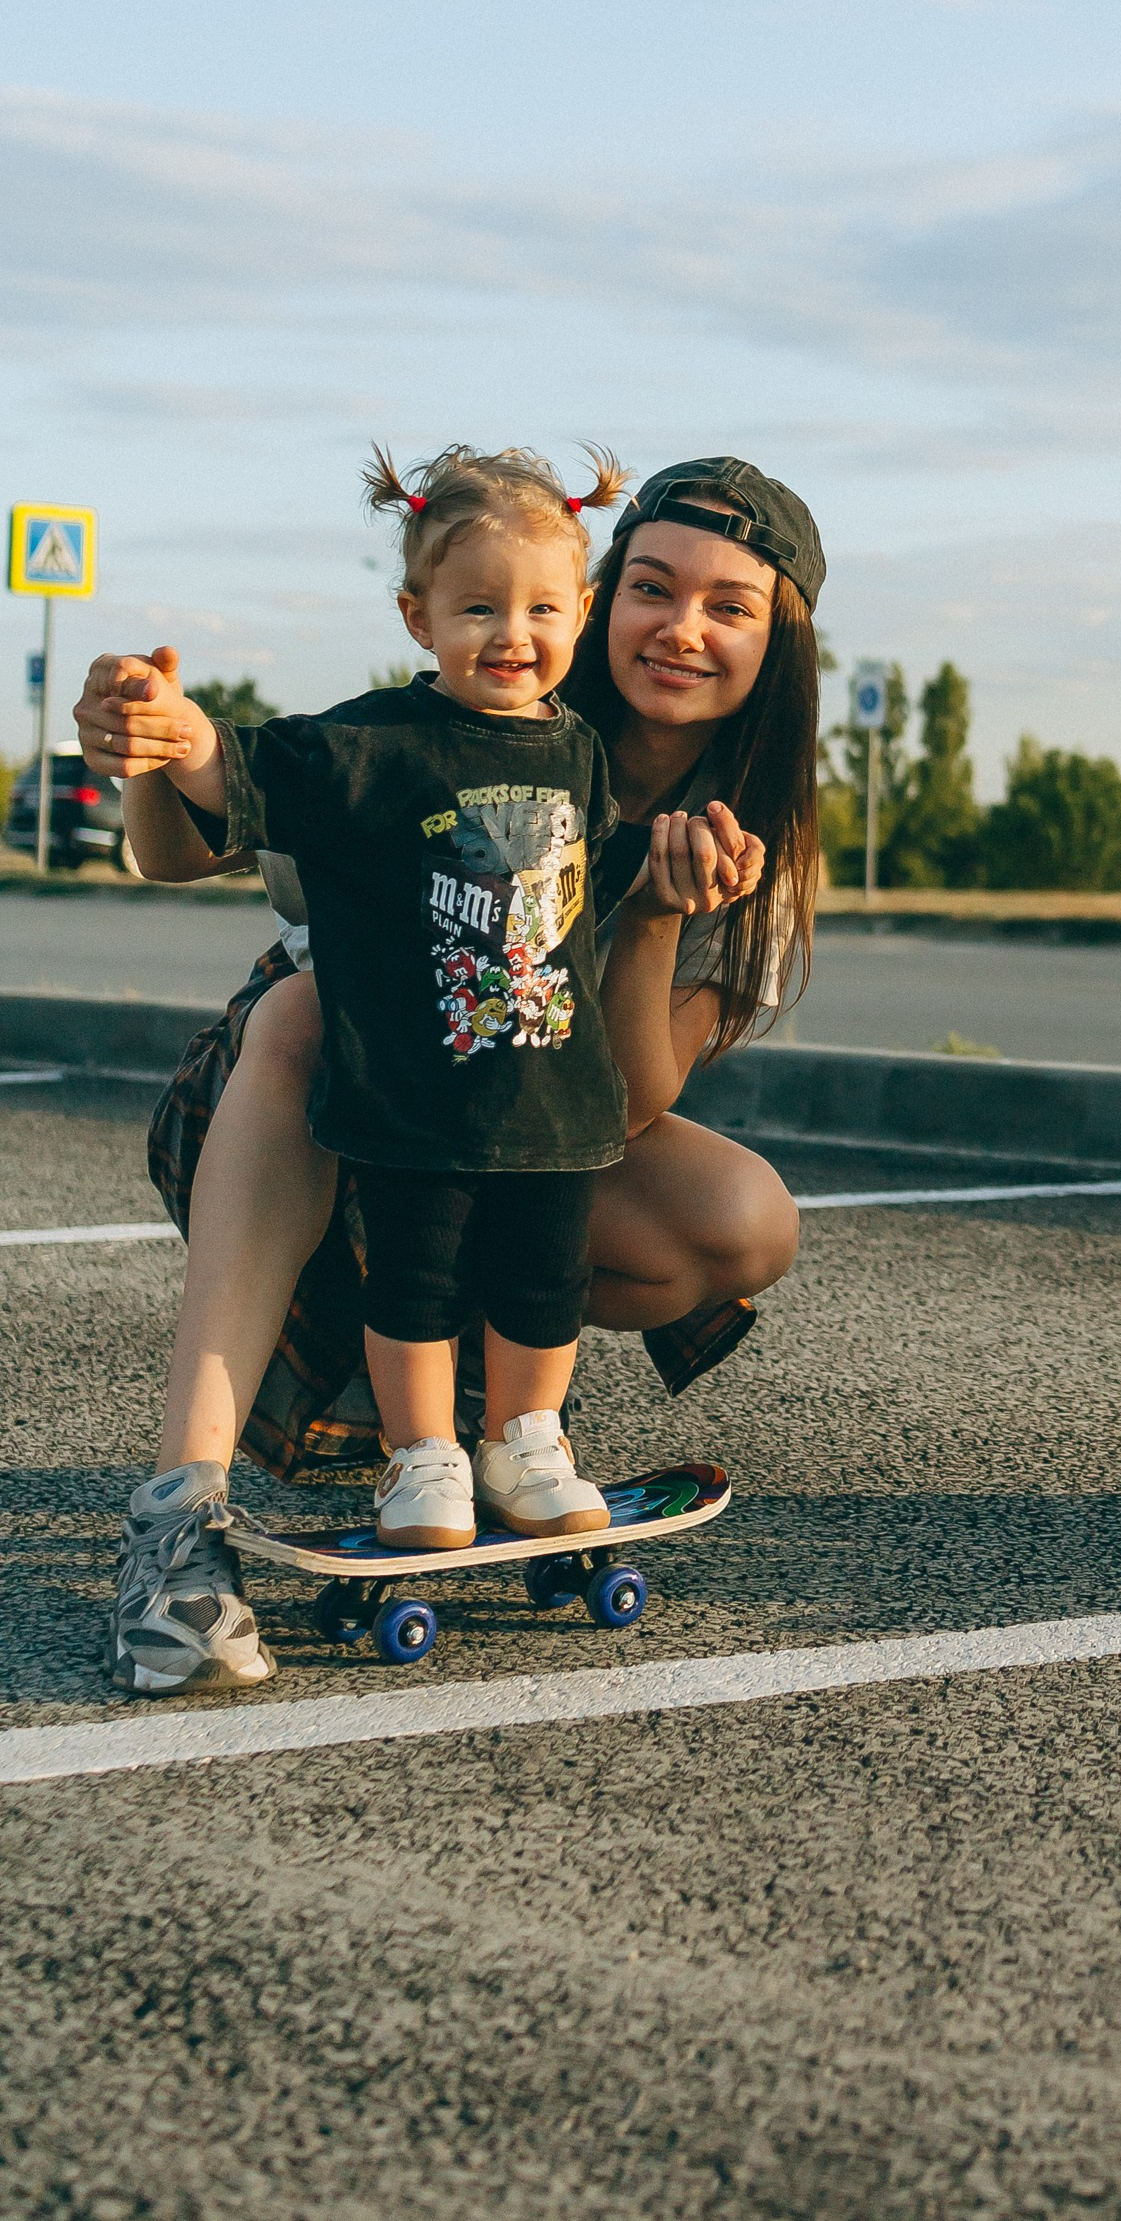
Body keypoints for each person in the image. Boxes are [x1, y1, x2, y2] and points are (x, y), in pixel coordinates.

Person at [87, 452, 825, 1697]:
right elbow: (188, 847)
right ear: (608, 596)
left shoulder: (753, 844)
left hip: (529, 1118)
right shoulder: (438, 726)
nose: (682, 630)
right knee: (305, 1010)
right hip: (313, 1104)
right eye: (656, 587)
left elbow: (636, 1103)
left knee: (740, 1222)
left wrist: (645, 906)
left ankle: (493, 1423)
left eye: (729, 607)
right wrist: (154, 753)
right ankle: (180, 1520)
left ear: (777, 641)